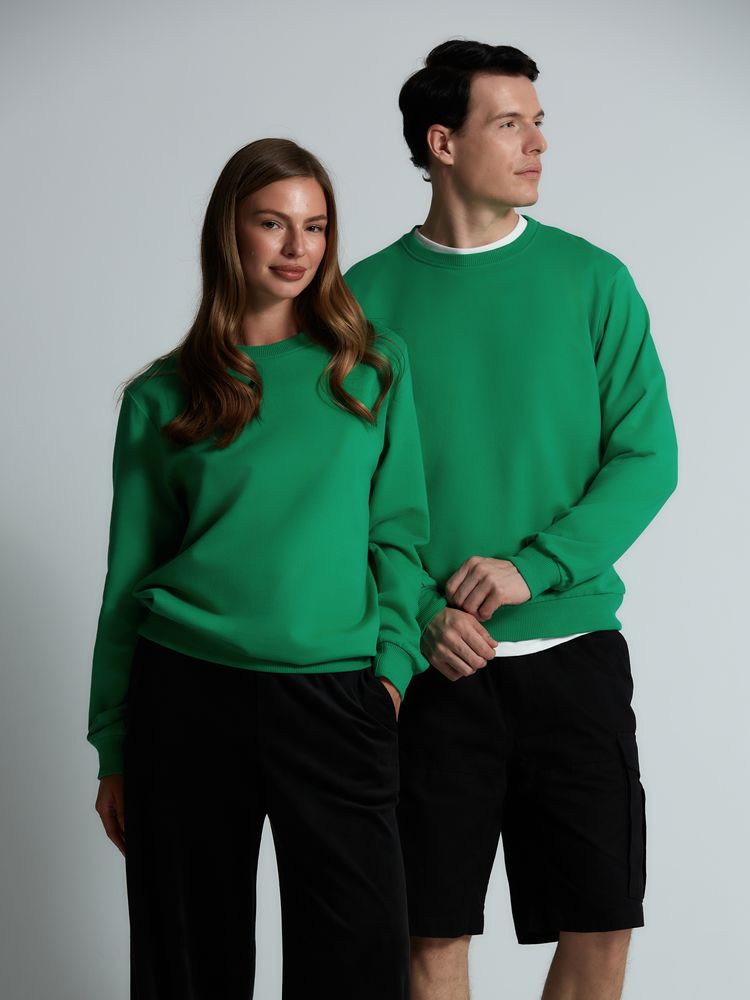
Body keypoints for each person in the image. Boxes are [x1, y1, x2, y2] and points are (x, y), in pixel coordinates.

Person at [344, 40, 678, 1000]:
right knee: (429, 938)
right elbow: (340, 492)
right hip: (428, 668)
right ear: (442, 143)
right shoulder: (360, 302)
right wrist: (420, 609)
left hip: (574, 656)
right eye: (510, 123)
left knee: (602, 926)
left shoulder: (593, 280)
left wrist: (537, 566)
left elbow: (647, 457)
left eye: (539, 122)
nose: (538, 143)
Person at [87, 137, 429, 1000]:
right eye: (272, 223)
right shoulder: (163, 395)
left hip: (337, 695)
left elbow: (398, 537)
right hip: (187, 696)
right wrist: (114, 747)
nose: (296, 247)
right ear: (228, 233)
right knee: (188, 967)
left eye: (315, 226)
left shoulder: (371, 368)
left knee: (358, 966)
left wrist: (391, 672)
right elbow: (129, 579)